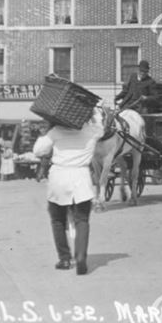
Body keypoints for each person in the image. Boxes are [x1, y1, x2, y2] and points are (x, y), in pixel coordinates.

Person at [32, 117, 104, 275]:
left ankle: (64, 259)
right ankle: (80, 257)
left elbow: (38, 151)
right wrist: (92, 115)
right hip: (81, 177)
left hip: (59, 177)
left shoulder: (55, 132)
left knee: (57, 220)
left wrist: (46, 133)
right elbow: (101, 127)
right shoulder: (91, 131)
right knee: (82, 220)